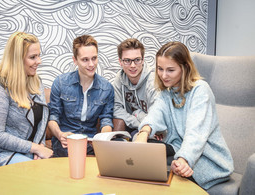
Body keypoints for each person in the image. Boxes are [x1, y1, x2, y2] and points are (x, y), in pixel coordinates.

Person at [135, 41, 234, 190]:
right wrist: (143, 134)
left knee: (160, 176)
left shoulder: (200, 90)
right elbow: (155, 114)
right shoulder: (167, 92)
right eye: (160, 69)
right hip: (179, 150)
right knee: (144, 151)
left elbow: (196, 133)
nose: (163, 75)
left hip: (207, 159)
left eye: (170, 70)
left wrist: (183, 159)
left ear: (185, 68)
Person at [0, 32, 53, 173]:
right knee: (38, 175)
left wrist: (41, 147)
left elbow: (42, 122)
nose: (39, 61)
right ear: (17, 59)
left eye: (39, 55)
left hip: (22, 152)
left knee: (50, 172)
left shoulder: (35, 81)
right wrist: (36, 148)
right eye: (33, 57)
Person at [48, 35, 114, 157]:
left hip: (90, 142)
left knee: (114, 153)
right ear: (75, 60)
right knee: (70, 152)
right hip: (65, 142)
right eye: (85, 60)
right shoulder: (61, 83)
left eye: (94, 58)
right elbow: (53, 116)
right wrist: (59, 134)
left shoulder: (107, 88)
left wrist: (103, 139)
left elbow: (106, 119)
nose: (91, 64)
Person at [112, 38, 158, 137]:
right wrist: (136, 122)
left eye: (137, 60)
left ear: (143, 60)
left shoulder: (153, 82)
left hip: (152, 130)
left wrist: (138, 115)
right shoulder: (119, 78)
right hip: (135, 125)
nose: (133, 65)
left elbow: (156, 116)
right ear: (120, 62)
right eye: (127, 61)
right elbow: (116, 109)